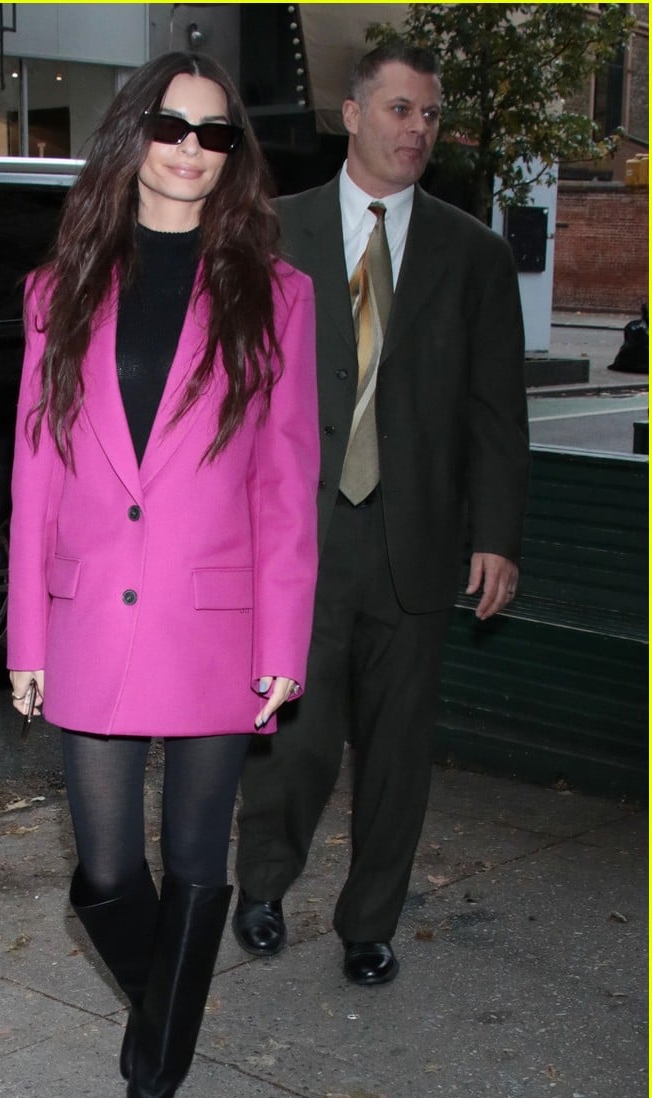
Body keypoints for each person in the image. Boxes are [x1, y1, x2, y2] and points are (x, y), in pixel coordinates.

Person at [6, 51, 319, 1098]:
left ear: (232, 157)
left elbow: (286, 485)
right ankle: (169, 1022)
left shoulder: (272, 293)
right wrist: (27, 640)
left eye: (216, 135)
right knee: (102, 874)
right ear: (133, 133)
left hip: (213, 623)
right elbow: (36, 472)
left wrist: (281, 644)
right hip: (88, 616)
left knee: (193, 861)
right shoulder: (60, 287)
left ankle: (151, 1087)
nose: (192, 150)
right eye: (173, 127)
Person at [232, 40, 530, 987]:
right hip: (298, 539)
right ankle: (263, 885)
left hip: (413, 543)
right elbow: (234, 392)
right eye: (399, 110)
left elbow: (495, 410)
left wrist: (496, 536)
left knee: (398, 755)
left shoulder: (471, 252)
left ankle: (369, 923)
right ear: (351, 114)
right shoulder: (274, 235)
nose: (417, 129)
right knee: (295, 739)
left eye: (429, 115)